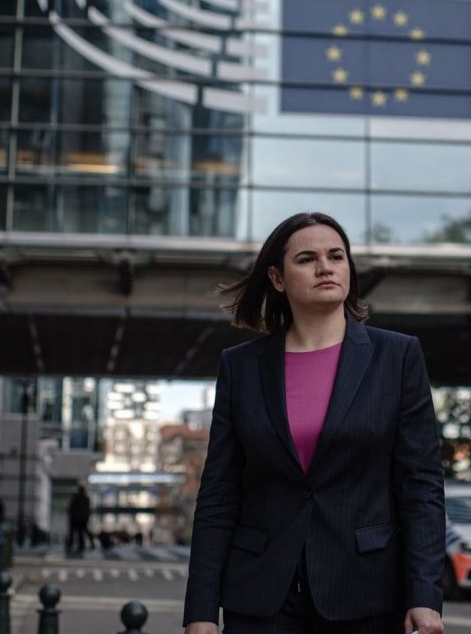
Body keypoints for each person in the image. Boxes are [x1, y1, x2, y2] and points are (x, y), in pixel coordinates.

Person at [183, 213, 445, 634]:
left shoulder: (397, 357)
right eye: (307, 259)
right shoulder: (241, 367)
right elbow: (219, 493)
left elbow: (422, 486)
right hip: (262, 596)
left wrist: (425, 596)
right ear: (277, 278)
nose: (325, 267)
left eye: (336, 256)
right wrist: (200, 610)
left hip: (366, 592)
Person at [66, 484, 92, 554]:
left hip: (76, 518)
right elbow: (87, 509)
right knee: (80, 533)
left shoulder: (76, 498)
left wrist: (70, 514)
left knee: (73, 532)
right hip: (82, 519)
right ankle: (80, 546)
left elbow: (70, 507)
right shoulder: (86, 499)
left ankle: (71, 545)